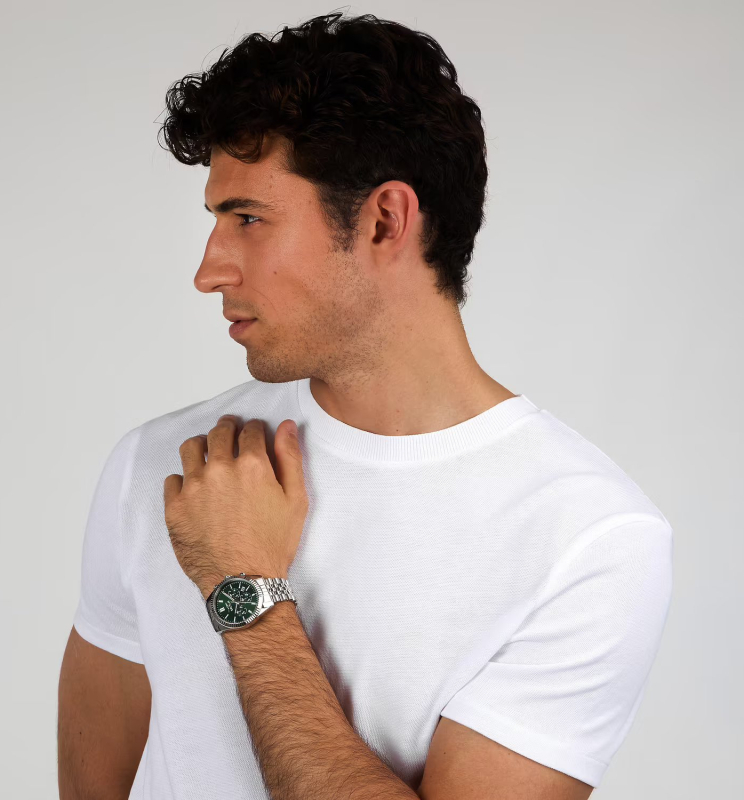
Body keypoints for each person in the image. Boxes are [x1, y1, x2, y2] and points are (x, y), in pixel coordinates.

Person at [58, 12, 673, 800]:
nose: (209, 272)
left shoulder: (589, 538)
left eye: (249, 219)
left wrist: (242, 585)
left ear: (385, 220)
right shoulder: (164, 465)